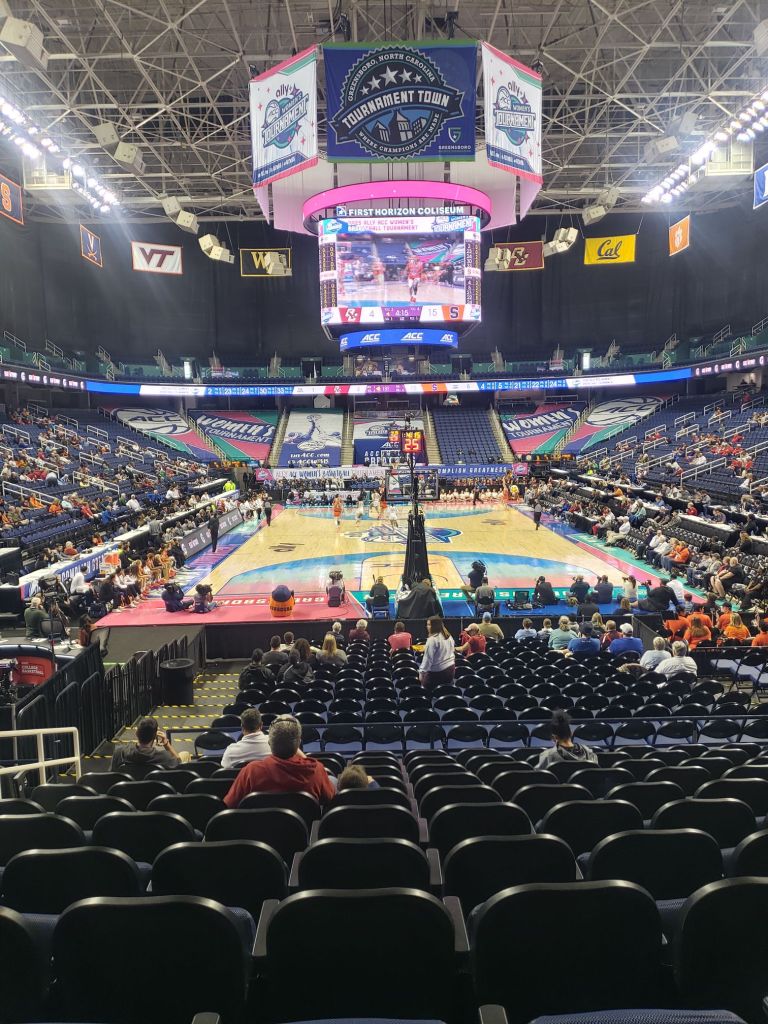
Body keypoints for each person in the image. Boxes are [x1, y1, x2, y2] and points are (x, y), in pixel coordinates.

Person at [223, 715, 335, 807]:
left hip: (260, 828)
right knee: (333, 780)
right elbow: (330, 799)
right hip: (305, 828)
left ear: (269, 743)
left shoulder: (250, 771)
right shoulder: (316, 770)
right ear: (298, 743)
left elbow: (229, 805)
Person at [110, 716, 188, 769]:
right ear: (155, 736)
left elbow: (113, 774)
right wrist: (167, 744)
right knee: (185, 754)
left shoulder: (120, 753)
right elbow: (179, 764)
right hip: (154, 789)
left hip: (129, 788)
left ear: (136, 733)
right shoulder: (164, 757)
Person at [419, 615, 456, 691]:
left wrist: (421, 673)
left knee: (424, 690)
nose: (427, 626)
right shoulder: (448, 636)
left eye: (429, 625)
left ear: (435, 626)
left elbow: (427, 660)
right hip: (451, 670)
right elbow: (452, 650)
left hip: (438, 673)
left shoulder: (432, 640)